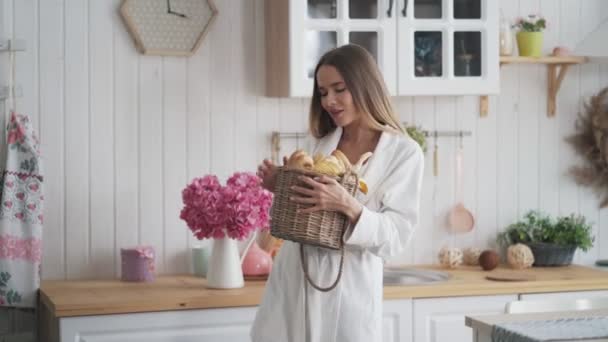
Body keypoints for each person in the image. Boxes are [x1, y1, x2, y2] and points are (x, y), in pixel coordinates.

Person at [251, 44, 424, 342]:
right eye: (322, 92)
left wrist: (348, 205)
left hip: (350, 289)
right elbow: (304, 212)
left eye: (339, 89)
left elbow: (396, 236)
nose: (329, 100)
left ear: (364, 85)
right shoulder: (319, 144)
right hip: (296, 277)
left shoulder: (403, 153)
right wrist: (280, 185)